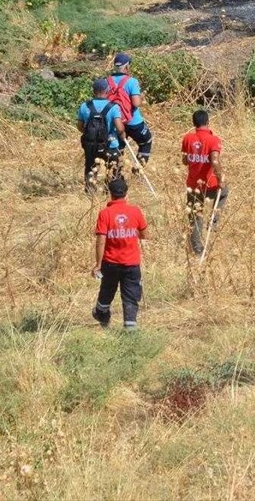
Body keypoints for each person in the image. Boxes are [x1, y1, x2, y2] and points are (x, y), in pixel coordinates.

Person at [91, 177, 149, 330]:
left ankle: (101, 313)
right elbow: (145, 234)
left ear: (110, 194)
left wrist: (98, 264)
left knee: (107, 289)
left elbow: (101, 241)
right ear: (126, 194)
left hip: (111, 262)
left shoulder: (105, 214)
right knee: (131, 294)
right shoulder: (135, 211)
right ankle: (130, 327)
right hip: (132, 263)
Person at [181, 109, 228, 256]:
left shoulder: (187, 138)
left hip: (193, 185)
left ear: (193, 123)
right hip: (210, 184)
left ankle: (197, 250)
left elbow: (184, 161)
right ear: (208, 122)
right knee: (225, 191)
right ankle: (213, 222)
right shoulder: (214, 140)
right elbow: (215, 160)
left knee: (195, 215)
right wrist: (220, 180)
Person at [78, 79, 125, 192]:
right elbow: (119, 128)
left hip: (91, 144)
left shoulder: (84, 106)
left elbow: (80, 126)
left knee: (91, 167)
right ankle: (110, 190)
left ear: (93, 91)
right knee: (114, 168)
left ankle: (90, 191)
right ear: (107, 90)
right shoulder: (113, 107)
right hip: (110, 144)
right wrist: (122, 133)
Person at [107, 53, 153, 165]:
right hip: (133, 121)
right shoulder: (131, 81)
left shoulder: (107, 81)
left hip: (115, 122)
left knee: (118, 148)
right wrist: (141, 97)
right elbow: (136, 103)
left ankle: (115, 176)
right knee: (146, 141)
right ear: (127, 67)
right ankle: (138, 170)